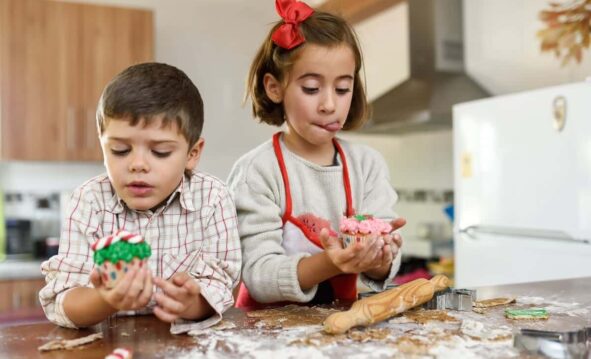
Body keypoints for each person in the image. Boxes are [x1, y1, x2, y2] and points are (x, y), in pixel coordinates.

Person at [227, 0, 405, 308]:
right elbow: (258, 274)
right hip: (265, 335)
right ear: (274, 87)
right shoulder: (257, 171)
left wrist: (380, 255)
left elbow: (384, 266)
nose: (329, 105)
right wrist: (333, 262)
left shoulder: (367, 166)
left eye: (342, 89)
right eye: (311, 88)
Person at [39, 63, 241, 334]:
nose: (137, 165)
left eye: (160, 152)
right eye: (120, 150)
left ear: (192, 153)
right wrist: (105, 299)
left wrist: (191, 304)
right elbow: (62, 300)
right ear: (102, 145)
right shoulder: (89, 201)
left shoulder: (213, 198)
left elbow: (221, 282)